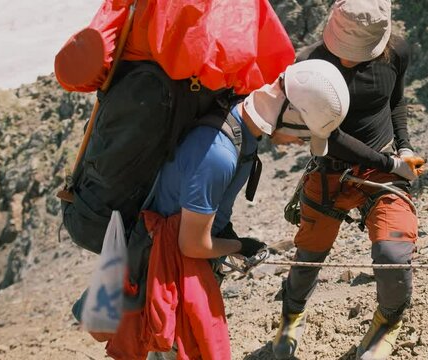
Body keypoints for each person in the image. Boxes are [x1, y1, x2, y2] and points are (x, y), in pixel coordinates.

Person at [104, 59, 350, 360]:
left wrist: (230, 240)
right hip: (169, 266)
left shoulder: (239, 125)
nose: (301, 143)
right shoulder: (218, 155)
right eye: (304, 134)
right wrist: (240, 246)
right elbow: (192, 244)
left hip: (176, 257)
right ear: (289, 113)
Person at [271, 1, 425, 359]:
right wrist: (392, 161)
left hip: (384, 167)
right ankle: (292, 314)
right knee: (309, 254)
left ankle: (388, 321)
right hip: (332, 171)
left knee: (392, 252)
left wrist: (404, 146)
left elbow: (395, 100)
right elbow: (332, 136)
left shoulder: (396, 51)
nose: (347, 60)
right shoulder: (312, 68)